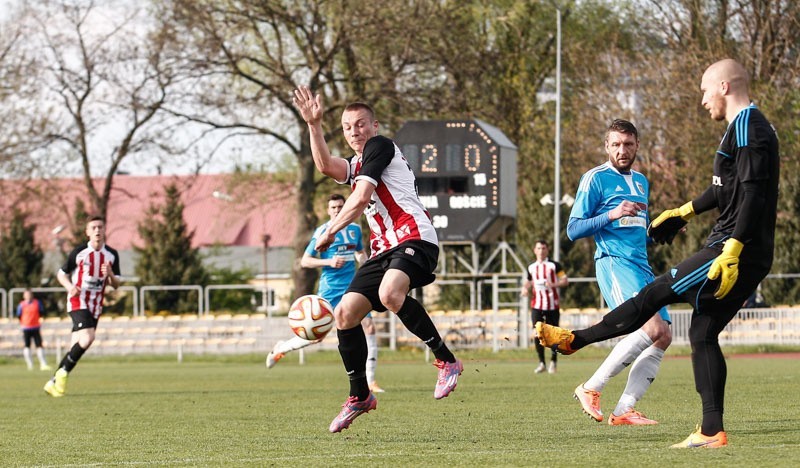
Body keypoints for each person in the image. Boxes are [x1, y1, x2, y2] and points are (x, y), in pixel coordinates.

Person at [536, 59, 779, 448]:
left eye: (704, 90)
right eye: (615, 144)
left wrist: (733, 248)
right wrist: (682, 212)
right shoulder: (739, 129)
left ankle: (578, 344)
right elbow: (724, 191)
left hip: (731, 246)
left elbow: (751, 192)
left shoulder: (748, 125)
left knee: (659, 309)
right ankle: (709, 430)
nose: (702, 99)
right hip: (650, 257)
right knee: (696, 332)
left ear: (724, 87)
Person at [292, 86, 462, 433]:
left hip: (415, 237)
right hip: (384, 249)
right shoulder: (356, 162)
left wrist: (329, 232)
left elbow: (360, 198)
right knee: (344, 313)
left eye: (360, 124)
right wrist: (314, 124)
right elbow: (325, 165)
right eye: (347, 127)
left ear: (374, 125)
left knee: (389, 294)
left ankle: (446, 360)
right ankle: (360, 396)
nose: (355, 131)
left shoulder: (380, 147)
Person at [566, 119, 672, 426]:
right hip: (614, 263)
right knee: (652, 329)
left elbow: (639, 228)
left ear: (637, 145)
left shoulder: (641, 181)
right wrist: (612, 213)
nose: (622, 150)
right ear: (606, 146)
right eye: (615, 144)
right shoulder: (595, 178)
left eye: (627, 144)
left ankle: (624, 409)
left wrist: (661, 231)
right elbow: (573, 229)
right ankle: (590, 387)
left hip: (641, 266)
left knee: (663, 336)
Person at [267, 193, 385, 393]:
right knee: (317, 337)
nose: (338, 210)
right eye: (334, 208)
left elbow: (359, 252)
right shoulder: (323, 231)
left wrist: (365, 264)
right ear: (328, 210)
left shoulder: (355, 229)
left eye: (340, 206)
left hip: (353, 288)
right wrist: (328, 262)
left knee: (370, 328)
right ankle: (280, 349)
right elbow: (305, 261)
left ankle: (371, 381)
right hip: (329, 290)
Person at [44, 215, 121, 397]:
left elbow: (116, 284)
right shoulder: (78, 253)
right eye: (93, 227)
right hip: (79, 301)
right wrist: (70, 287)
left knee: (76, 346)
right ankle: (62, 374)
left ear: (104, 230)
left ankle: (52, 382)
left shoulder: (111, 255)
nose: (97, 230)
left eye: (100, 227)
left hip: (96, 305)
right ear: (87, 232)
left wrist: (110, 274)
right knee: (87, 339)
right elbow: (61, 274)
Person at [520, 240, 567, 374]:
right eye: (539, 248)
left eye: (543, 248)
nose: (541, 251)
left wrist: (553, 285)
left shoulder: (554, 265)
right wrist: (524, 289)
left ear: (547, 250)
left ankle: (553, 361)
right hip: (537, 305)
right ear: (535, 250)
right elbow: (529, 281)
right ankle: (541, 363)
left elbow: (565, 280)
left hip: (552, 305)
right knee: (537, 333)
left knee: (554, 334)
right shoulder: (531, 267)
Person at [17, 289, 52, 371]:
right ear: (24, 296)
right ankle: (30, 365)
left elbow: (41, 312)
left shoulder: (37, 303)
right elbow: (19, 315)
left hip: (36, 327)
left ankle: (43, 364)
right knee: (27, 346)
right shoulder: (21, 305)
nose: (28, 296)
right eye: (26, 294)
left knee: (39, 345)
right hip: (26, 328)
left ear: (32, 295)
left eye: (29, 294)